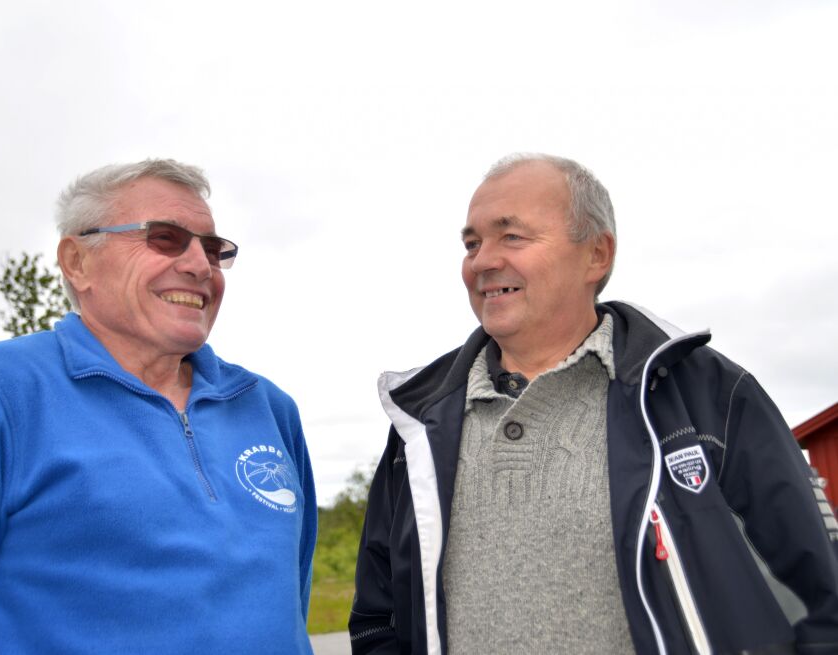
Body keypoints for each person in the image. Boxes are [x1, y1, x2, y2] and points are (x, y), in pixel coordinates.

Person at [349, 153, 838, 654]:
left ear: (597, 255)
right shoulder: (419, 421)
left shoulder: (708, 396)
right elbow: (378, 620)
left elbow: (822, 598)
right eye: (472, 243)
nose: (483, 261)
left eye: (511, 236)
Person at [0, 159, 317, 654]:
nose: (199, 265)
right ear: (77, 262)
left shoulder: (268, 408)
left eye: (212, 248)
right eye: (164, 238)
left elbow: (288, 601)